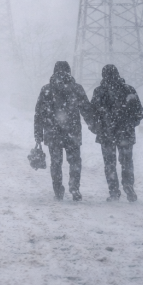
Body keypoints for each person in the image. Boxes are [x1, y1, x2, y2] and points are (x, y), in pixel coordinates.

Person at [34, 61, 93, 201]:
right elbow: (86, 110)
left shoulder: (46, 89)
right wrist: (96, 126)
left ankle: (58, 189)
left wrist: (38, 134)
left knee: (56, 162)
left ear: (54, 71)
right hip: (72, 132)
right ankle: (74, 187)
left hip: (52, 133)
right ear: (69, 71)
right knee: (75, 162)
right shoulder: (76, 88)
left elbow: (39, 114)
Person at [90, 65, 143, 202]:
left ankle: (114, 191)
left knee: (109, 163)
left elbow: (92, 113)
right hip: (125, 133)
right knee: (126, 161)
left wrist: (96, 127)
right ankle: (128, 185)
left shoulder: (99, 91)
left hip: (106, 133)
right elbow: (138, 112)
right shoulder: (129, 90)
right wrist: (130, 124)